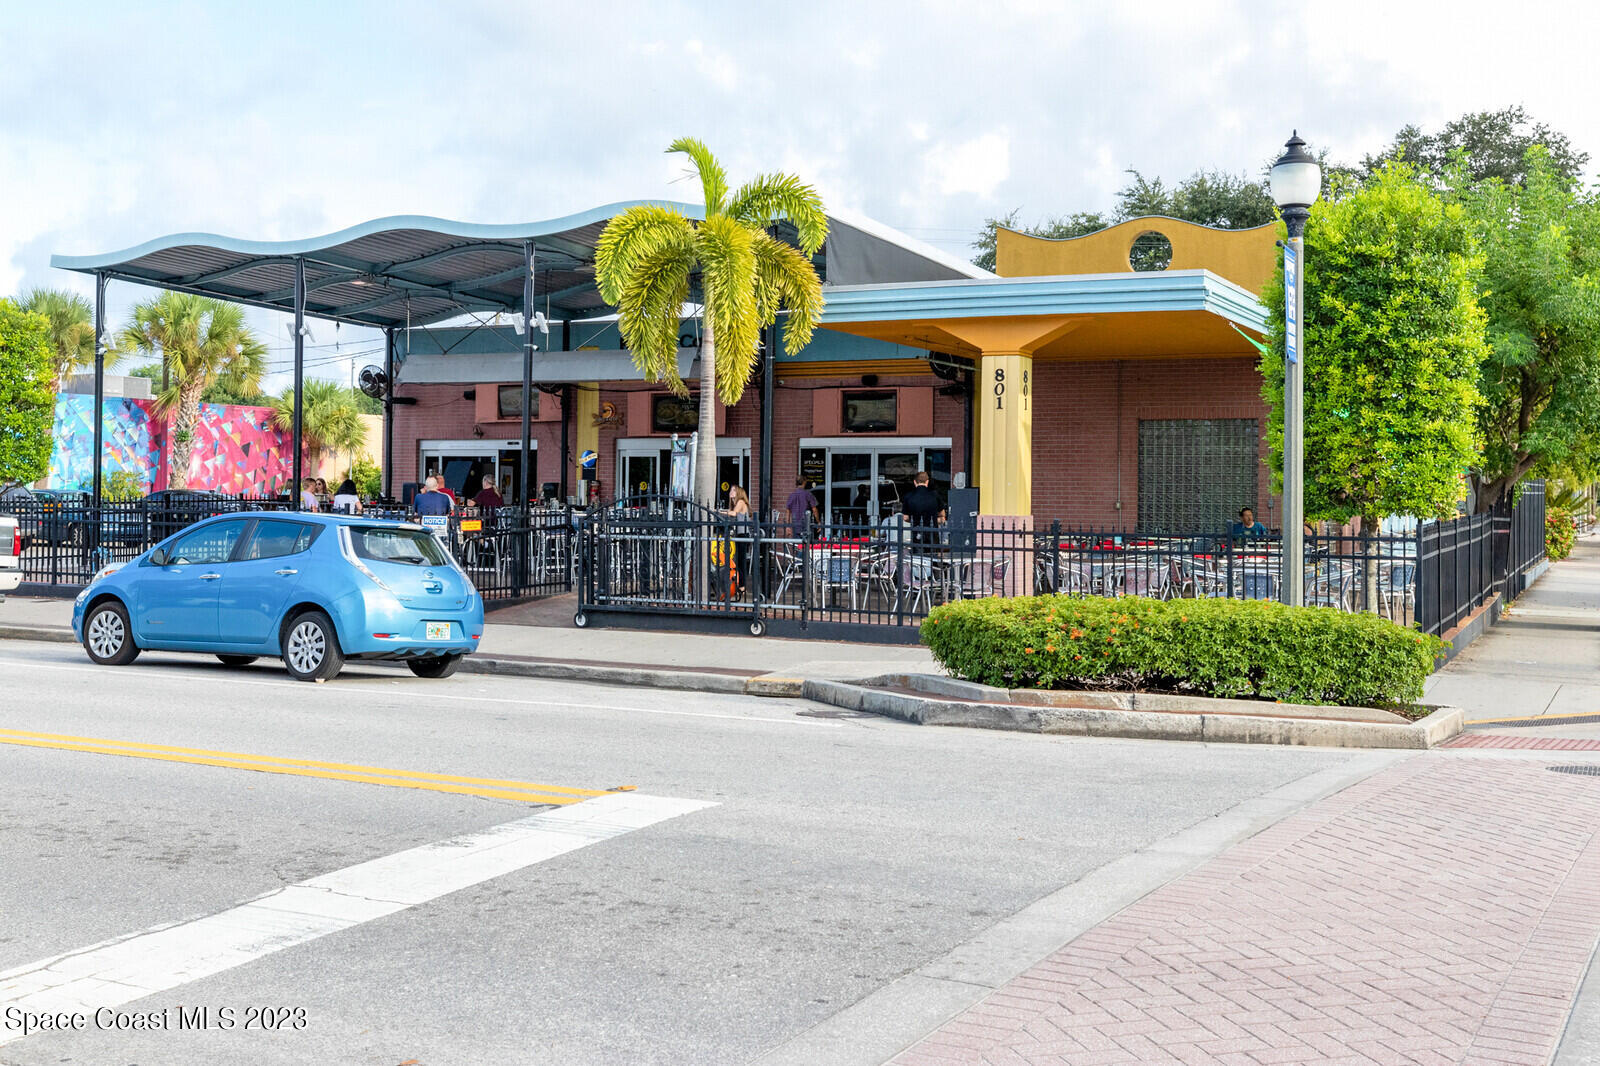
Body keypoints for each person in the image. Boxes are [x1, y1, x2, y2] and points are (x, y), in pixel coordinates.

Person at [901, 471, 945, 546]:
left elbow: (905, 518)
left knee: (917, 556)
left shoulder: (908, 496)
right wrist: (934, 520)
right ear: (927, 482)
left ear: (915, 482)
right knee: (933, 555)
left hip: (917, 531)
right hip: (932, 532)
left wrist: (915, 520)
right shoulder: (935, 495)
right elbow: (942, 516)